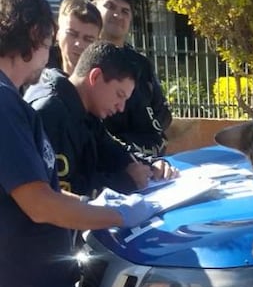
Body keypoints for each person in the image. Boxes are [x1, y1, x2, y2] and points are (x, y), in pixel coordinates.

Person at [0, 0, 158, 287]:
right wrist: (118, 215)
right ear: (33, 35)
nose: (53, 53)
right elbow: (40, 201)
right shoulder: (7, 103)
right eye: (52, 40)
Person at [25, 35, 177, 197]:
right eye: (119, 95)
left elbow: (111, 149)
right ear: (95, 77)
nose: (121, 107)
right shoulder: (51, 113)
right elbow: (58, 193)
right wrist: (125, 181)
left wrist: (151, 165)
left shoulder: (83, 107)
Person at [92, 0, 172, 157]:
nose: (117, 15)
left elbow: (161, 114)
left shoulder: (141, 65)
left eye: (125, 11)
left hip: (149, 162)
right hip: (100, 162)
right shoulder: (81, 59)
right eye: (110, 6)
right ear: (94, 7)